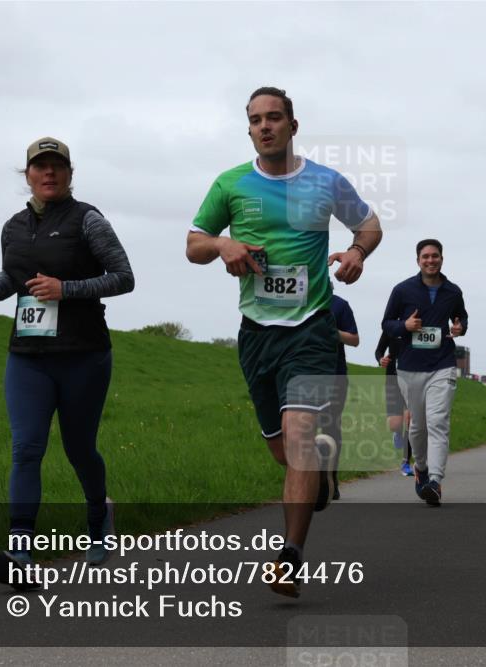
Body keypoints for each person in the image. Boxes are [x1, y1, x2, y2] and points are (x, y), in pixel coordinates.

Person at [186, 87, 382, 598]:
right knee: (283, 450)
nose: (265, 125)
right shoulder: (230, 184)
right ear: (248, 129)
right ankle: (317, 469)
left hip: (312, 328)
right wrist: (223, 243)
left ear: (294, 125)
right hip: (256, 334)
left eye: (274, 117)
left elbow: (370, 222)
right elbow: (193, 244)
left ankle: (290, 555)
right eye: (255, 120)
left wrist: (358, 251)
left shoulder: (325, 181)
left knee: (297, 438)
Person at [0, 137, 135, 587]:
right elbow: (14, 273)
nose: (48, 174)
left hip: (83, 355)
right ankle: (21, 552)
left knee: (79, 448)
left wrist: (67, 289)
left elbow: (124, 278)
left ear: (69, 173)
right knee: (26, 448)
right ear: (27, 175)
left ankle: (99, 517)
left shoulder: (88, 221)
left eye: (56, 167)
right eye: (40, 167)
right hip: (27, 355)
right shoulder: (13, 227)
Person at [382, 239, 468, 506]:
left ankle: (435, 480)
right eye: (425, 257)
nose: (430, 260)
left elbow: (461, 318)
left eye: (435, 256)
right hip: (410, 366)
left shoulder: (453, 292)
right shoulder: (403, 290)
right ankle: (420, 467)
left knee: (438, 422)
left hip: (442, 364)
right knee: (417, 427)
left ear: (442, 258)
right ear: (418, 260)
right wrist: (404, 325)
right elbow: (386, 324)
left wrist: (459, 327)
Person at [322, 293, 359, 499]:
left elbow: (354, 339)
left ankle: (330, 479)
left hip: (334, 376)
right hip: (301, 376)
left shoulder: (340, 305)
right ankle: (309, 481)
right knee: (302, 429)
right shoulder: (297, 300)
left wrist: (332, 332)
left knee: (331, 428)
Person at [375, 331, 413, 476]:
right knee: (394, 424)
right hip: (392, 380)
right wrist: (380, 360)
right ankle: (397, 432)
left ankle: (405, 462)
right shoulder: (391, 328)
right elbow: (379, 350)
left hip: (410, 379)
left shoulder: (417, 326)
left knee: (409, 420)